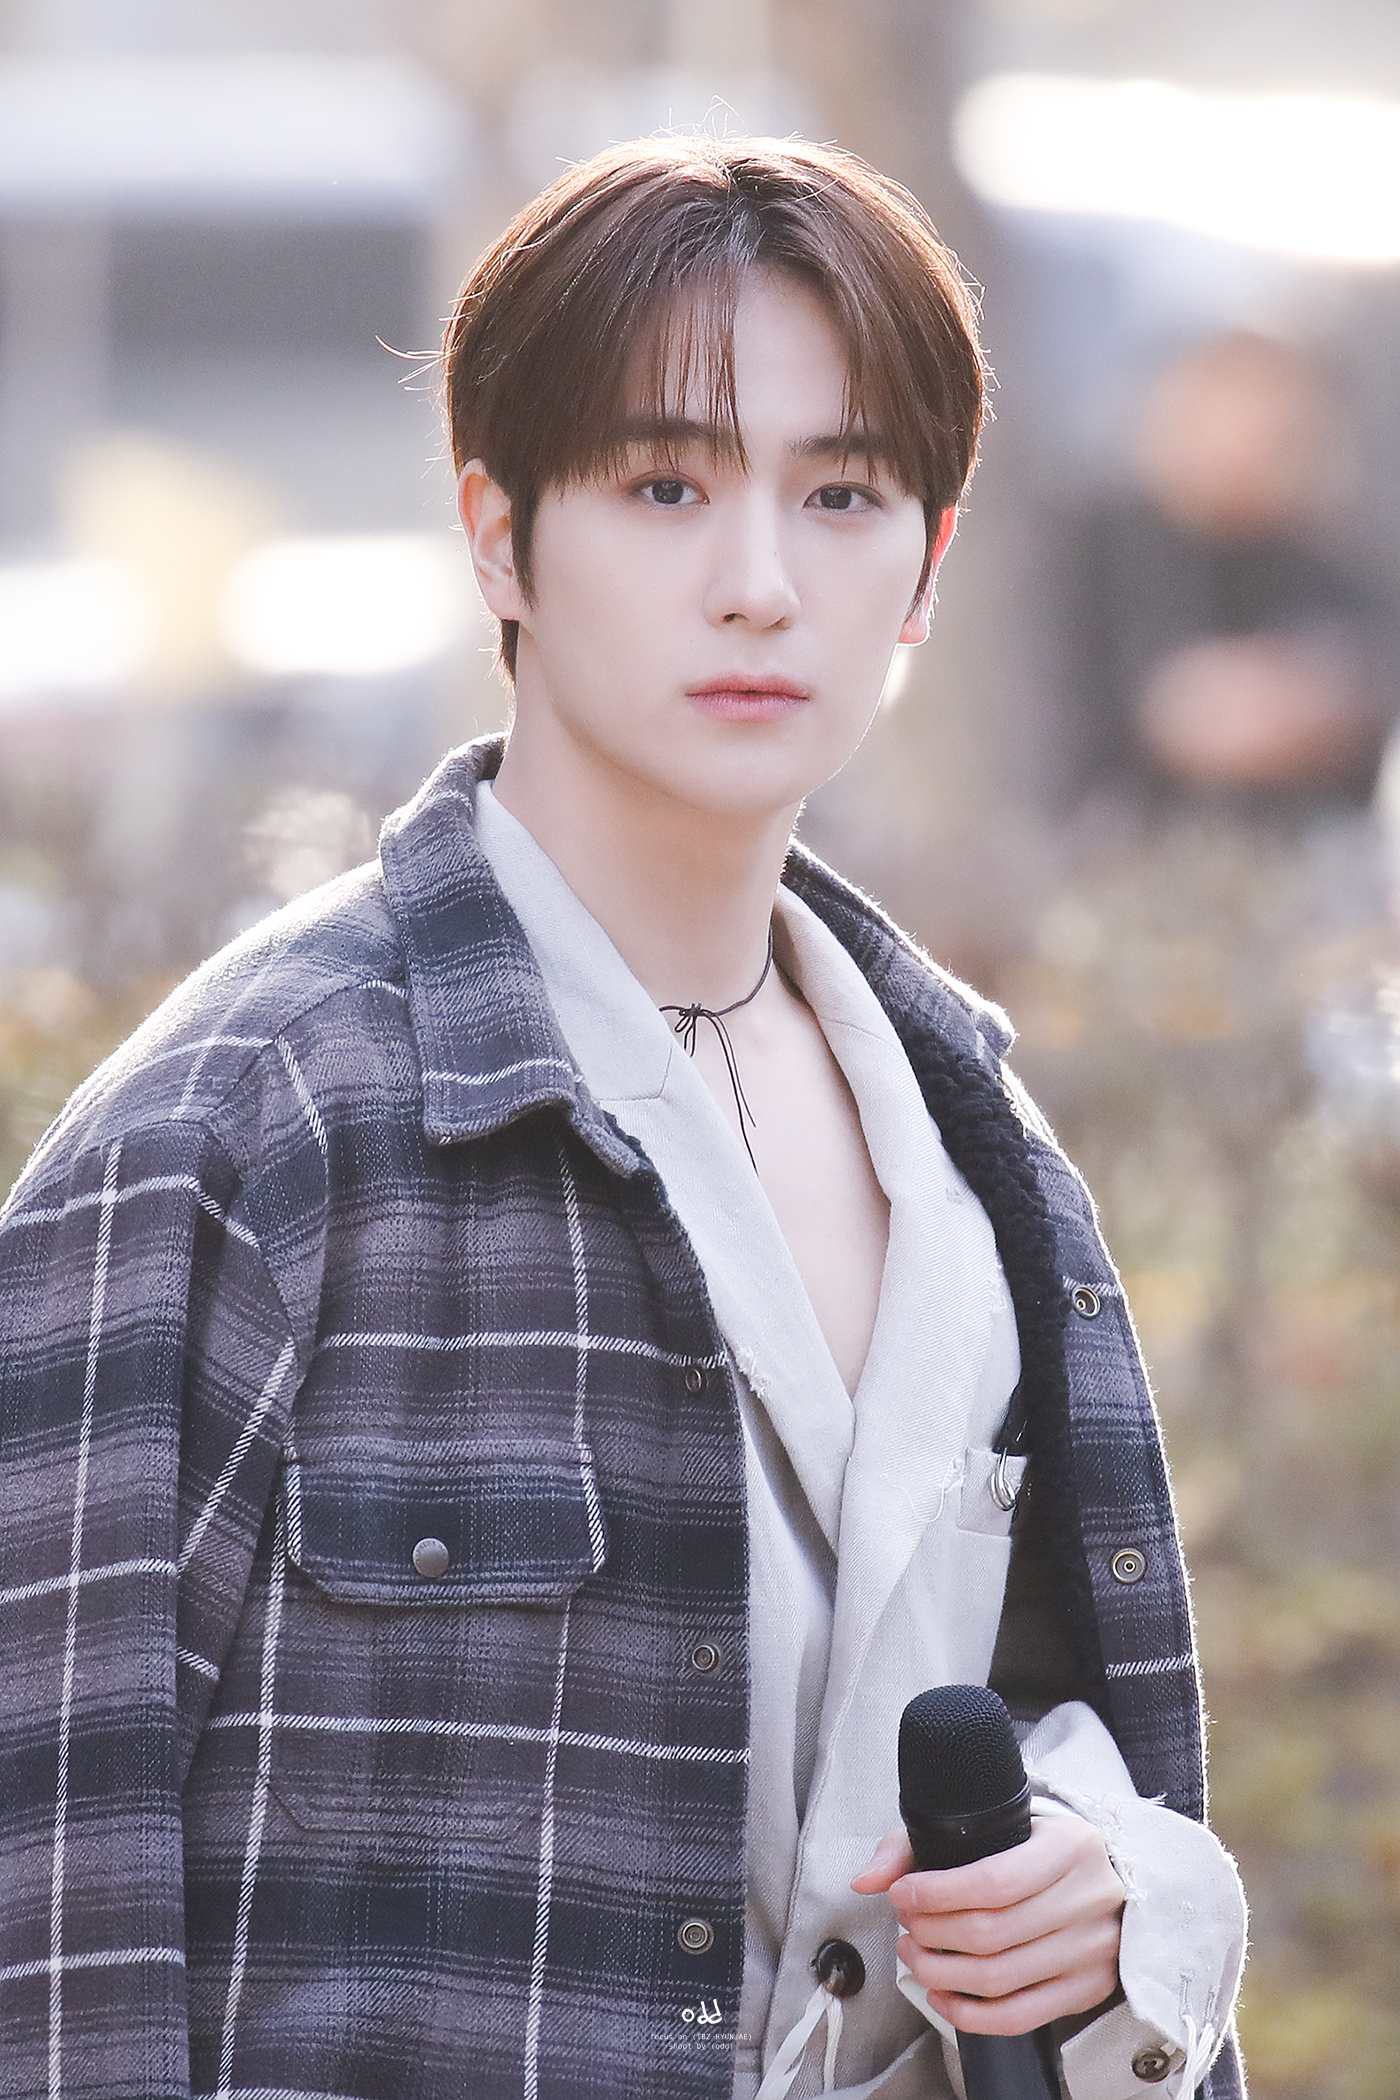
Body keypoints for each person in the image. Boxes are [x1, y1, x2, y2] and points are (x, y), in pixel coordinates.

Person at [0, 138, 1245, 2100]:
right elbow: (48, 1921)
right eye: (666, 487)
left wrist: (1118, 1896)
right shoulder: (247, 1129)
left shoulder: (975, 1146)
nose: (759, 583)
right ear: (499, 539)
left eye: (840, 495)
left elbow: (1015, 1745)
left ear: (926, 568)